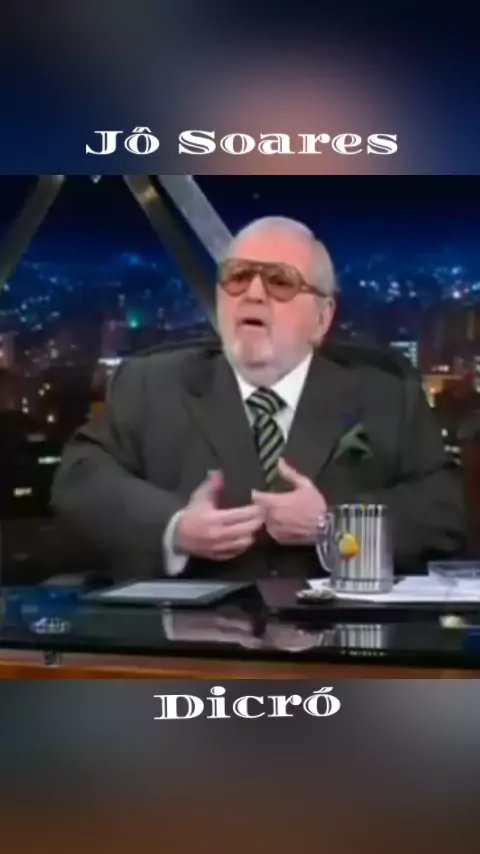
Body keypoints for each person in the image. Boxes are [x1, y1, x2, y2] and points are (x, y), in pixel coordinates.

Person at [51, 216, 466, 579]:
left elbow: (444, 511)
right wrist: (175, 527)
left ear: (322, 318)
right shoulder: (150, 384)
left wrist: (333, 525)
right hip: (188, 634)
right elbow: (79, 481)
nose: (252, 294)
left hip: (338, 632)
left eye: (280, 282)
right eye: (237, 277)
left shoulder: (385, 394)